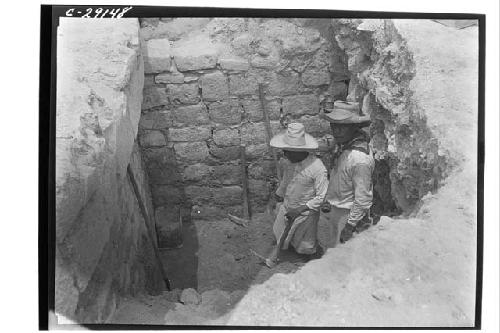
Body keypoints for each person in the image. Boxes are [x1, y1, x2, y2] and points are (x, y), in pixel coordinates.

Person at [265, 123, 328, 267]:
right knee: (282, 231)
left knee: (305, 242)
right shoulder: (290, 163)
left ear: (301, 151)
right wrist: (276, 197)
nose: (285, 154)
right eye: (285, 150)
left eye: (289, 151)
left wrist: (300, 210)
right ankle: (286, 249)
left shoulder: (318, 168)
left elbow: (322, 196)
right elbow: (286, 182)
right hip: (289, 207)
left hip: (306, 213)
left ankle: (311, 260)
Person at [319, 100, 375, 247]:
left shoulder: (359, 159)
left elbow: (363, 198)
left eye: (342, 127)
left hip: (348, 214)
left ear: (354, 127)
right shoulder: (344, 147)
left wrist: (350, 226)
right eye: (334, 126)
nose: (336, 131)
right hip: (336, 208)